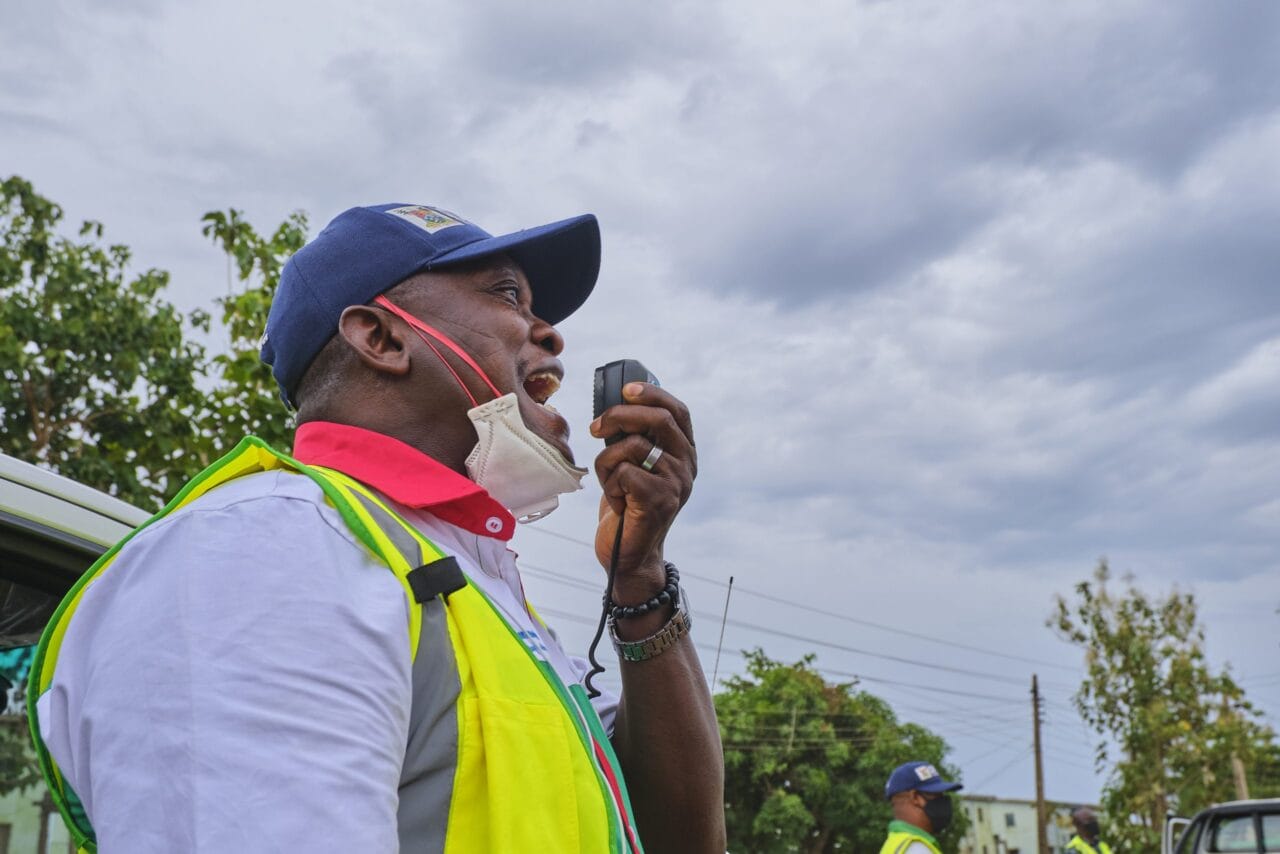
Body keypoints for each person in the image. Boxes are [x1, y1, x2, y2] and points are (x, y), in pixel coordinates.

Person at [28, 203, 725, 852]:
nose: (550, 332)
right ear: (382, 337)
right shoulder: (265, 551)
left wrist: (639, 579)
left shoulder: (475, 588)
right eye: (508, 295)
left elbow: (677, 840)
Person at [880, 761, 963, 854]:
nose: (943, 801)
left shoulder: (896, 844)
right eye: (937, 795)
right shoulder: (916, 849)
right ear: (915, 797)